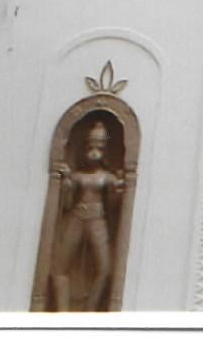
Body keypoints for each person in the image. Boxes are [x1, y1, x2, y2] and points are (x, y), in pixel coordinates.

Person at [51, 120, 123, 311]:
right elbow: (66, 204)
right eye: (90, 146)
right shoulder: (78, 176)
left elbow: (114, 207)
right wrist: (66, 184)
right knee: (60, 267)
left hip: (97, 220)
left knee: (106, 269)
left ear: (104, 150)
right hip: (77, 217)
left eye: (98, 146)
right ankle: (62, 311)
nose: (94, 151)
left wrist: (117, 192)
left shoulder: (108, 177)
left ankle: (90, 309)